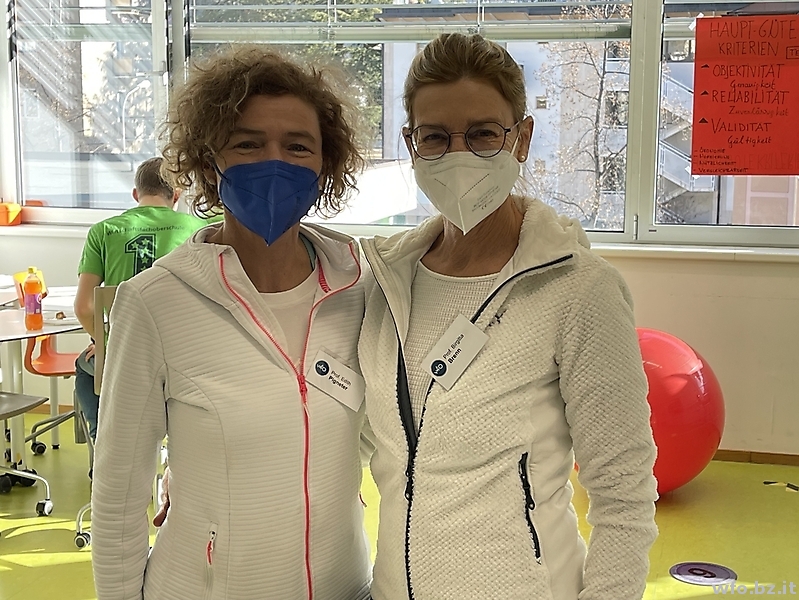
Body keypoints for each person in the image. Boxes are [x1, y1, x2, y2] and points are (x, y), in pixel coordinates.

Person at [357, 33, 658, 600]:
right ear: (410, 144)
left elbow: (624, 495)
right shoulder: (386, 282)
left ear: (521, 138)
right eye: (435, 137)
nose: (459, 157)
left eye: (483, 134)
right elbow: (367, 442)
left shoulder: (580, 291)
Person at [90, 47, 372, 600]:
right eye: (248, 144)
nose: (275, 163)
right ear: (208, 162)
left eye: (298, 146)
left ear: (325, 165)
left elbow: (358, 433)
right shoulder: (155, 302)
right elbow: (118, 495)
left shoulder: (360, 286)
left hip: (346, 585)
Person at [73, 157, 204, 439]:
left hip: (125, 353)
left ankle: (103, 440)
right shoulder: (198, 229)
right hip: (184, 355)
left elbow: (84, 307)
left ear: (136, 194)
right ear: (176, 195)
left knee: (84, 368)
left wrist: (104, 343)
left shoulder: (103, 231)